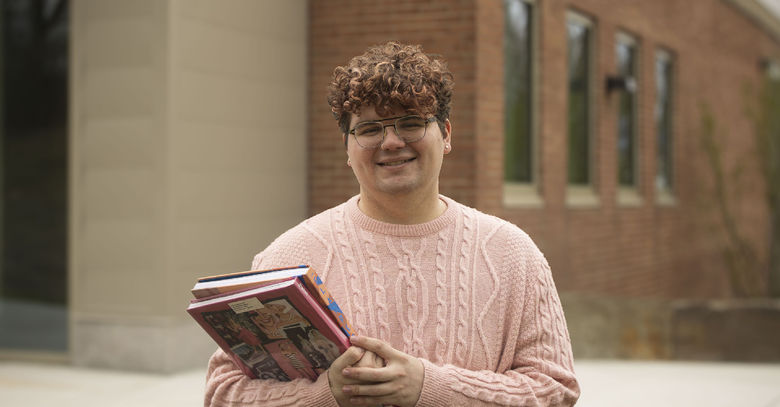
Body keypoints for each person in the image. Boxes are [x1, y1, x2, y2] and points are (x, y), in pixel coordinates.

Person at [204, 41, 580, 406]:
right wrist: (324, 396)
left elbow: (555, 388)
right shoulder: (289, 256)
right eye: (369, 129)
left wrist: (433, 389)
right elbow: (223, 395)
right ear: (347, 150)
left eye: (411, 123)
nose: (391, 142)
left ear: (446, 134)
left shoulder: (512, 254)